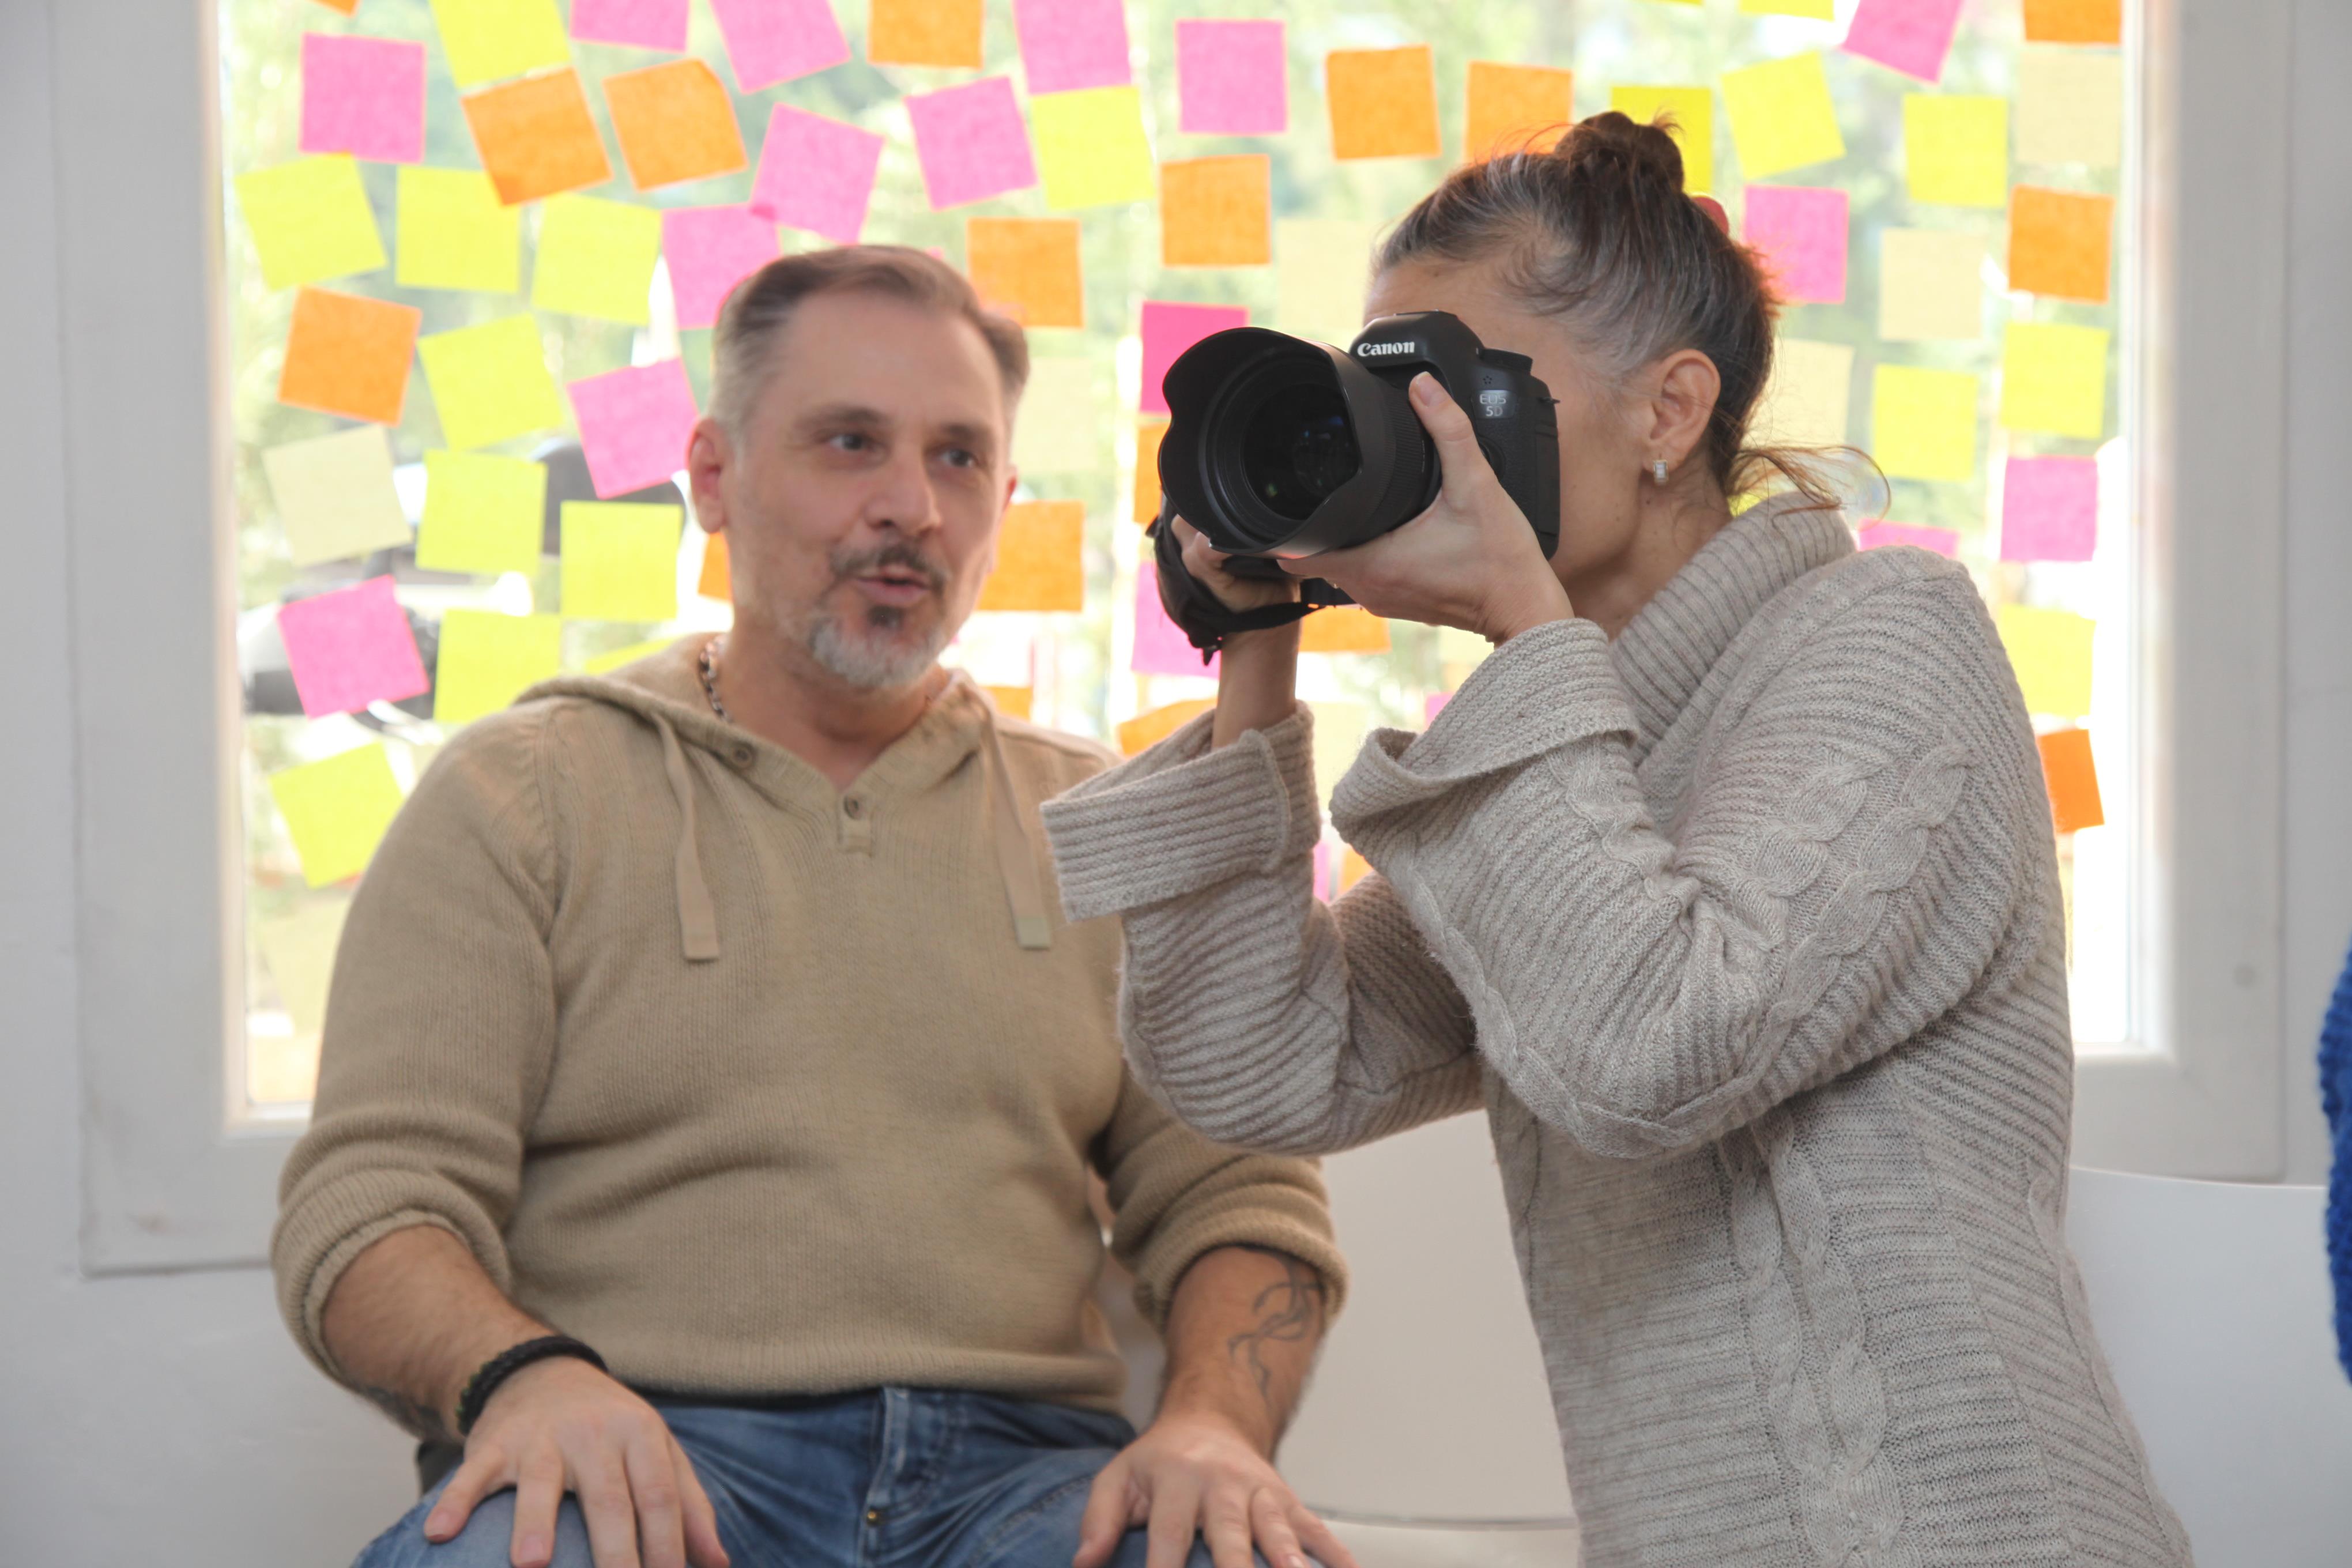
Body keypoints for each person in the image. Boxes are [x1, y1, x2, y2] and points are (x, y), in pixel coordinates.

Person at [1038, 115, 2195, 1567]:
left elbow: (1654, 1049)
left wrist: (1525, 633)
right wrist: (1259, 645)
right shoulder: (1567, 749)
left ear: (1668, 411)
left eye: (1451, 390)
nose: (1416, 439)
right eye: (1381, 393)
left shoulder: (1886, 638)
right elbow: (1261, 1064)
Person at [272, 246, 1354, 1568]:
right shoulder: (523, 795)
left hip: (1019, 1491)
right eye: (851, 442)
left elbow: (1245, 1196)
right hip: (640, 1458)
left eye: (959, 459)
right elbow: (370, 1204)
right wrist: (526, 1380)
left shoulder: (1105, 825)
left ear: (1004, 503)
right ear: (713, 476)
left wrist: (1211, 1429)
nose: (911, 505)